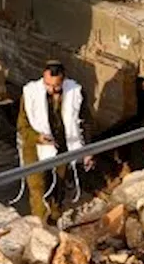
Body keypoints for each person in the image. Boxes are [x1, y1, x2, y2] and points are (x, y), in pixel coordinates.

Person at [16, 60, 92, 223]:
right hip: (34, 147)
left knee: (58, 187)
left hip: (62, 146)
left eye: (55, 86)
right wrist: (38, 137)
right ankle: (41, 226)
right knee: (38, 190)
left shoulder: (75, 94)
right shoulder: (30, 94)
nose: (51, 89)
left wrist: (87, 151)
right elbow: (22, 127)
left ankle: (55, 221)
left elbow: (84, 123)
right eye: (47, 85)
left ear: (63, 81)